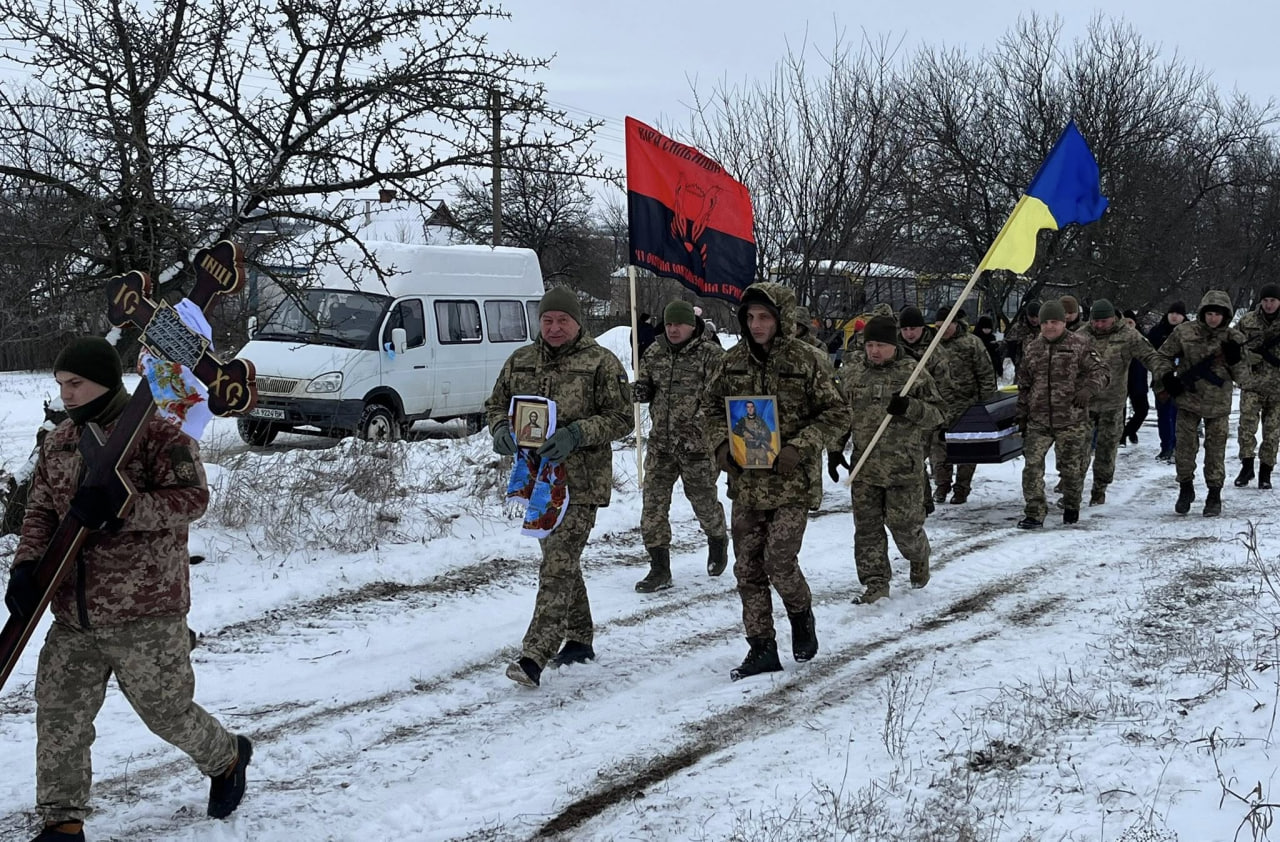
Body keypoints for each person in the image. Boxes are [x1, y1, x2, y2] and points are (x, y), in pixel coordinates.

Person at [5, 337, 250, 842]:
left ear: (104, 381)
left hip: (145, 611)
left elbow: (192, 499)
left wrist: (123, 509)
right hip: (73, 614)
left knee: (167, 714)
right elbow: (41, 510)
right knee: (60, 718)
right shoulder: (60, 441)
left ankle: (227, 757)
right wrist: (27, 565)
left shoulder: (156, 432)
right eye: (61, 384)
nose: (66, 394)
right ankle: (63, 823)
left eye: (76, 383)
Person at [486, 287, 632, 687]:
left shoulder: (601, 362)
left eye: (562, 321)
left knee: (558, 564)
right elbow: (496, 404)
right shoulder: (521, 360)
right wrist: (500, 428)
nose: (554, 328)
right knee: (561, 559)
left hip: (581, 483)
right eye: (547, 320)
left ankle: (534, 655)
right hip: (538, 482)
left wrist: (577, 433)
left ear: (577, 322)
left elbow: (622, 418)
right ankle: (580, 638)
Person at [704, 282, 849, 681]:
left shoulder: (807, 360)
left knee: (779, 561)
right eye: (750, 317)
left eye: (765, 317)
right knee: (748, 568)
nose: (757, 325)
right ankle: (761, 647)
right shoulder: (731, 361)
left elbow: (837, 413)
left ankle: (801, 616)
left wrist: (800, 446)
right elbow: (709, 407)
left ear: (781, 319)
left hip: (791, 482)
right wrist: (721, 445)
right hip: (747, 484)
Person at [829, 315, 944, 604]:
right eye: (870, 345)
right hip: (865, 468)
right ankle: (875, 583)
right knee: (867, 531)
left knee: (904, 530)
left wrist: (910, 407)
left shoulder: (912, 373)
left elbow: (938, 415)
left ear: (893, 345)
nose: (874, 351)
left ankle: (919, 555)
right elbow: (842, 415)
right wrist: (834, 449)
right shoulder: (854, 373)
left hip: (902, 469)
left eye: (881, 345)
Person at [632, 300, 728, 592]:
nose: (673, 330)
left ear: (691, 325)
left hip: (697, 446)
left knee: (703, 502)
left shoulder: (711, 355)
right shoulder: (654, 352)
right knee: (653, 506)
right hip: (661, 445)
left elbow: (720, 398)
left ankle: (717, 539)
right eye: (669, 324)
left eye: (679, 324)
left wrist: (698, 424)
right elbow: (648, 385)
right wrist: (641, 390)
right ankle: (659, 568)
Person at [1014, 300, 1109, 528]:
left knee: (1070, 469)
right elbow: (1024, 384)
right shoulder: (1033, 348)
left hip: (1071, 420)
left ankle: (1071, 505)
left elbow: (1102, 371)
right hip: (1039, 420)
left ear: (1063, 322)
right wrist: (1022, 414)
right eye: (1045, 322)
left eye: (1054, 322)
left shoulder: (1080, 344)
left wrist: (1088, 389)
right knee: (1032, 467)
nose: (1049, 326)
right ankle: (1035, 512)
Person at [1156, 291, 1248, 517]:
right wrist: (1167, 377)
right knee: (1184, 449)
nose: (1213, 318)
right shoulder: (1184, 332)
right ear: (1202, 313)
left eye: (1217, 314)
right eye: (1209, 313)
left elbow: (1245, 378)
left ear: (1225, 315)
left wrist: (1235, 359)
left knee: (1215, 452)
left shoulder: (1233, 338)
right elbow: (1162, 356)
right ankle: (1185, 488)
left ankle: (1214, 495)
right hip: (1188, 401)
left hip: (1218, 405)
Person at [1078, 300, 1164, 505]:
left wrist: (1164, 375)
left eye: (1104, 321)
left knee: (1107, 450)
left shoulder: (1128, 335)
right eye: (1095, 321)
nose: (1099, 325)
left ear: (1113, 319)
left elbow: (1150, 356)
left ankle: (1099, 488)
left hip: (1113, 403)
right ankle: (1073, 489)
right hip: (1084, 402)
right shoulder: (1081, 335)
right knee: (1077, 449)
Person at [930, 304, 997, 505]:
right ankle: (942, 485)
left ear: (955, 323)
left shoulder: (971, 343)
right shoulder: (932, 346)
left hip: (967, 406)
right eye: (938, 326)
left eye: (946, 326)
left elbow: (985, 374)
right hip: (940, 407)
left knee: (967, 450)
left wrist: (986, 404)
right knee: (938, 450)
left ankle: (962, 487)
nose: (942, 330)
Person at [893, 306, 948, 517]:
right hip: (901, 413)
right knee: (909, 460)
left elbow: (945, 388)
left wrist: (943, 419)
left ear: (922, 328)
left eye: (913, 329)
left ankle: (933, 493)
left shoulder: (935, 351)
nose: (909, 333)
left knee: (923, 458)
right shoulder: (895, 349)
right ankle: (923, 500)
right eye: (905, 329)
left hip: (927, 412)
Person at [1234, 284, 1280, 489]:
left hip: (1277, 388)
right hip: (1252, 384)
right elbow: (1232, 347)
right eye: (1266, 300)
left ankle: (1265, 472)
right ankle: (1246, 467)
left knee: (1272, 432)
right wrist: (1246, 356)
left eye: (1273, 301)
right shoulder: (1247, 321)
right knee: (1246, 427)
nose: (1269, 305)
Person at [1146, 301, 1187, 460]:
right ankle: (1166, 447)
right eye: (1172, 313)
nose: (1174, 316)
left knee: (1179, 416)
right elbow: (1148, 354)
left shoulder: (1190, 332)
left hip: (1183, 380)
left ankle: (1178, 446)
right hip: (1161, 379)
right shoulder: (1157, 331)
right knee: (1163, 415)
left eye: (1178, 314)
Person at [1120, 309, 1151, 446]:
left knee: (1142, 410)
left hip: (1138, 379)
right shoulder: (1117, 338)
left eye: (1130, 322)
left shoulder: (1142, 338)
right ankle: (1120, 437)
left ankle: (1129, 430)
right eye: (1125, 322)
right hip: (1121, 379)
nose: (1128, 325)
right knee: (1120, 411)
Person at [1002, 299, 1041, 375]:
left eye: (1037, 317)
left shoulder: (1045, 327)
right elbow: (1007, 344)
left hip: (1041, 369)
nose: (1034, 320)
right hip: (1022, 369)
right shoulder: (1018, 327)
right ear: (1027, 315)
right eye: (1031, 316)